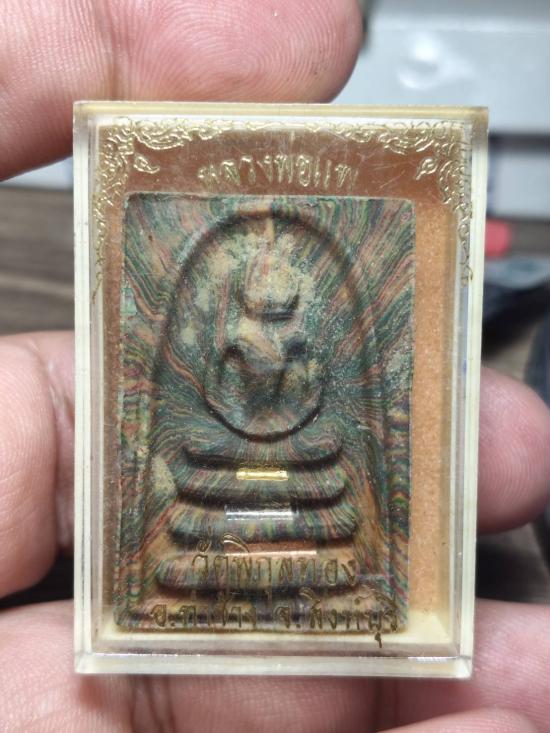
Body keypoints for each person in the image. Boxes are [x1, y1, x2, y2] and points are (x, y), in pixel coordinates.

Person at [1, 2, 549, 731]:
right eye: (262, 306)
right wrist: (237, 403)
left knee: (333, 493)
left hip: (302, 451)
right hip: (220, 454)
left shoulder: (301, 341)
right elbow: (212, 388)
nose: (273, 320)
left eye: (285, 308)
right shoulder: (229, 336)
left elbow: (317, 389)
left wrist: (297, 390)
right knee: (195, 493)